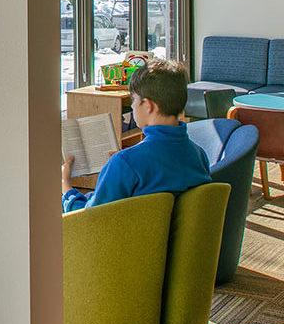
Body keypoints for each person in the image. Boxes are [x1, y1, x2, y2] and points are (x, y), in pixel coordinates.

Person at [62, 58, 210, 211]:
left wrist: (66, 186)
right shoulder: (199, 156)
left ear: (148, 106)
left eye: (133, 100)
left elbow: (90, 220)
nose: (132, 106)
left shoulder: (125, 163)